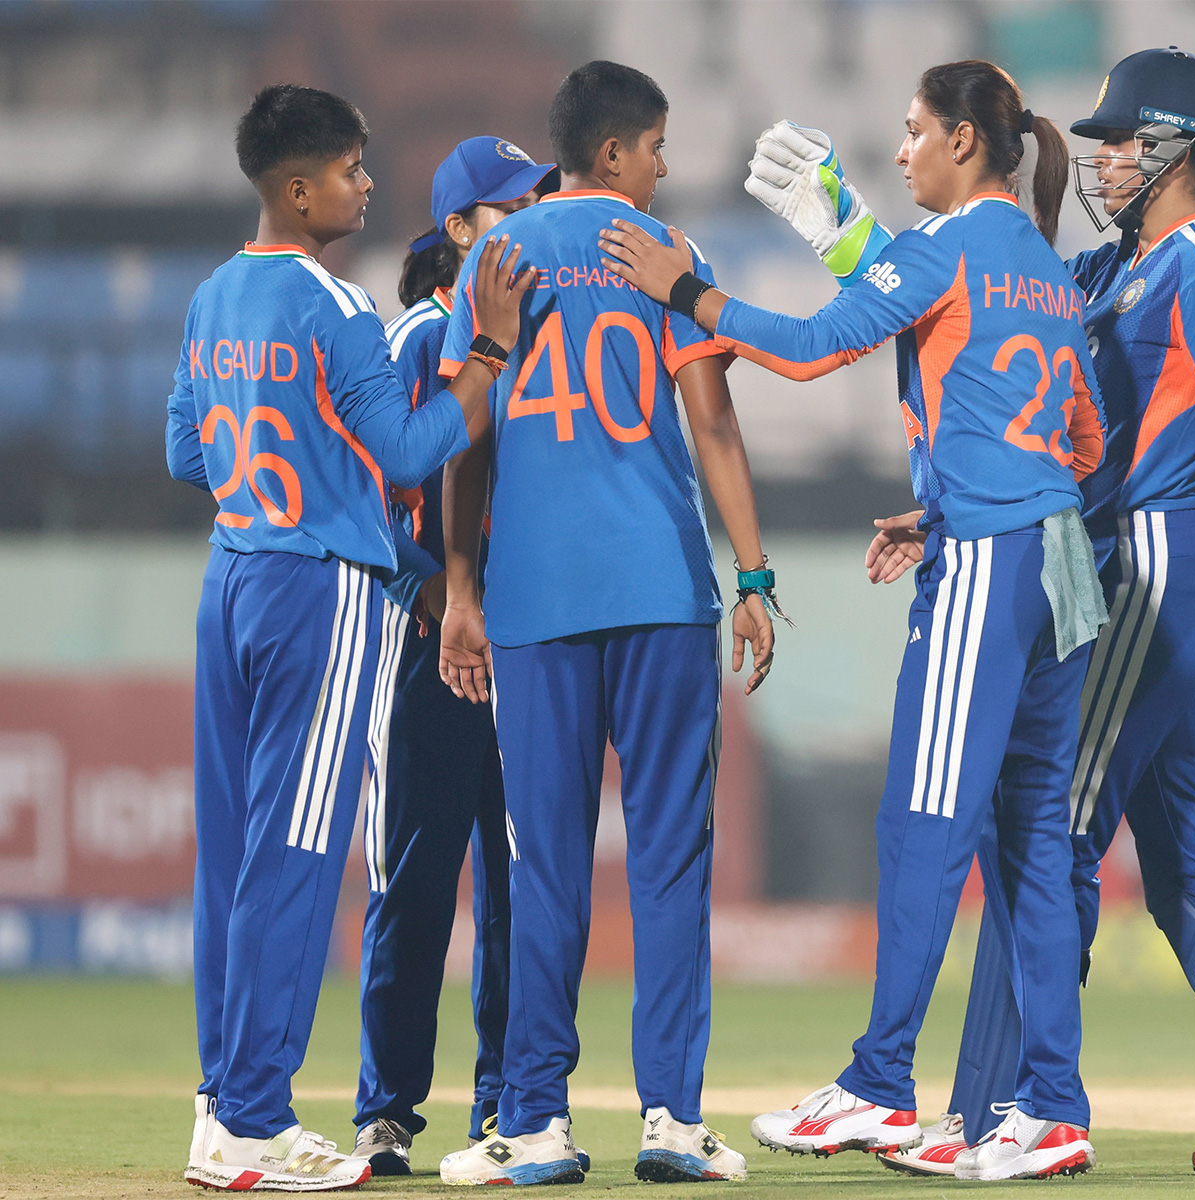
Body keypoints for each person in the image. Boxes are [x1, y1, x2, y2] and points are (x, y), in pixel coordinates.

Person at [766, 48, 1195, 1179]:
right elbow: (968, 305)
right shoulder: (1114, 265)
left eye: (1123, 142)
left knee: (1045, 830)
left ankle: (1001, 1111)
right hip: (1133, 560)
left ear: (1178, 148)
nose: (1101, 160)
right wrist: (846, 235)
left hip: (1155, 561)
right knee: (1193, 850)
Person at [601, 60, 1109, 1183]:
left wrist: (687, 293)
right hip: (1060, 564)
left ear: (965, 142)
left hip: (990, 563)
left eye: (916, 129)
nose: (902, 150)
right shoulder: (1047, 267)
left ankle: (880, 1085)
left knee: (921, 823)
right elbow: (1083, 443)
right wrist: (956, 504)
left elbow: (806, 348)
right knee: (1031, 838)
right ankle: (1053, 1109)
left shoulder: (943, 249)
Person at [165, 84, 530, 1192]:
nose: (367, 186)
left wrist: (281, 452)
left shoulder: (215, 294)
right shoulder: (337, 305)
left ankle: (219, 1108)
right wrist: (488, 355)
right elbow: (414, 452)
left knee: (232, 859)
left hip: (231, 572)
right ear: (297, 188)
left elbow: (187, 453)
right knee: (293, 856)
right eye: (350, 169)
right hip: (317, 591)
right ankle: (257, 1124)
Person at [429, 60, 773, 1186]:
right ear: (616, 153)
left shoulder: (497, 258)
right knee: (671, 861)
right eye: (658, 147)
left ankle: (535, 1123)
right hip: (661, 591)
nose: (665, 166)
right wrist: (755, 574)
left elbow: (465, 439)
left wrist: (463, 591)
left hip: (535, 600)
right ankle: (672, 1121)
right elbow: (713, 426)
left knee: (545, 868)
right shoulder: (660, 253)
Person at [350, 136, 560, 1177]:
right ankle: (386, 1110)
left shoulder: (546, 334)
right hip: (428, 651)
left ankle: (505, 1104)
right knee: (416, 883)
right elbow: (362, 489)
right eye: (513, 208)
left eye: (539, 203)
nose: (532, 221)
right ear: (461, 227)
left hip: (525, 647)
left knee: (521, 888)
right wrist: (428, 588)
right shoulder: (417, 337)